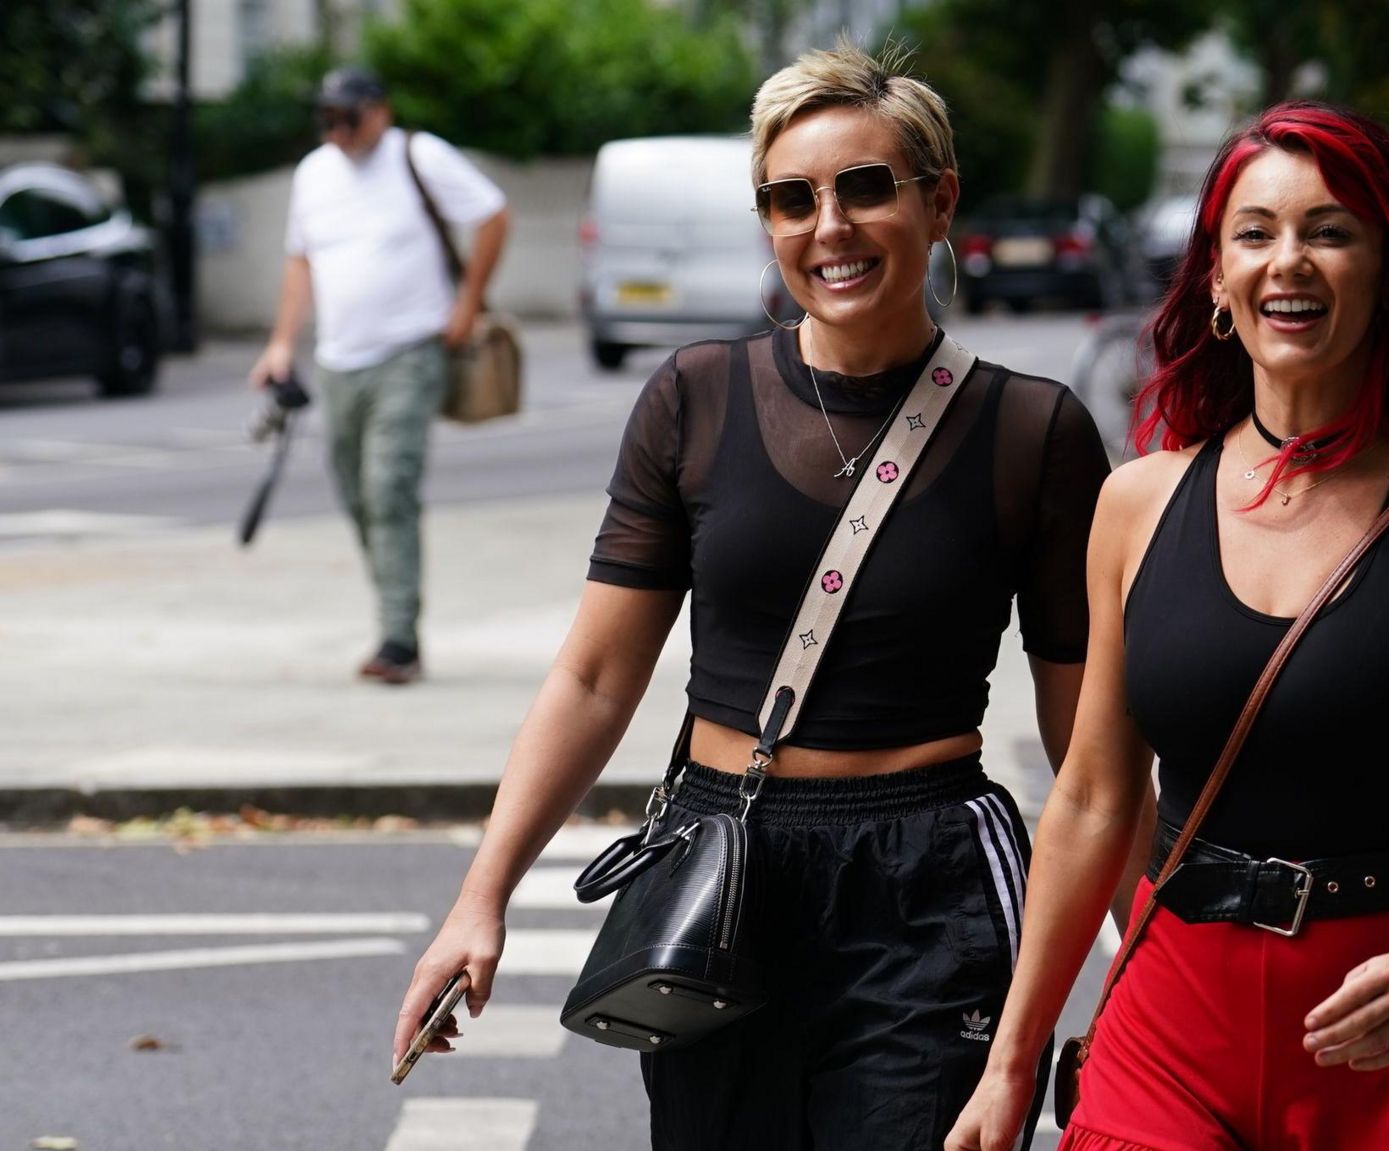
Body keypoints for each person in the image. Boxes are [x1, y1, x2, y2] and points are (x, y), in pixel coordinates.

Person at [393, 41, 1113, 1150]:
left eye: (866, 186)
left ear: (939, 202)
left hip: (928, 883)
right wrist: (480, 893)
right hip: (715, 873)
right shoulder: (694, 397)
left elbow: (1089, 745)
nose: (827, 226)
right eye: (790, 199)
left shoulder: (1034, 431)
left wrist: (1148, 949)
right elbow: (594, 674)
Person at [947, 101, 1389, 1151]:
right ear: (1218, 281)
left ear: (1386, 267)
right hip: (1170, 1018)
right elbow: (1094, 796)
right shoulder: (1135, 504)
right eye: (1255, 232)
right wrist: (1010, 1064)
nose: (1290, 261)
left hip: (1385, 1018)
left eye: (1329, 230)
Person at [249, 66, 511, 684]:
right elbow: (300, 261)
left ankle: (398, 637)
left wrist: (468, 303)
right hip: (338, 360)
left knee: (388, 487)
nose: (336, 130)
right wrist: (281, 344)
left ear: (380, 111)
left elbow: (493, 215)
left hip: (410, 353)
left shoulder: (417, 155)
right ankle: (394, 608)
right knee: (355, 492)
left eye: (347, 117)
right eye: (326, 118)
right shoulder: (313, 173)